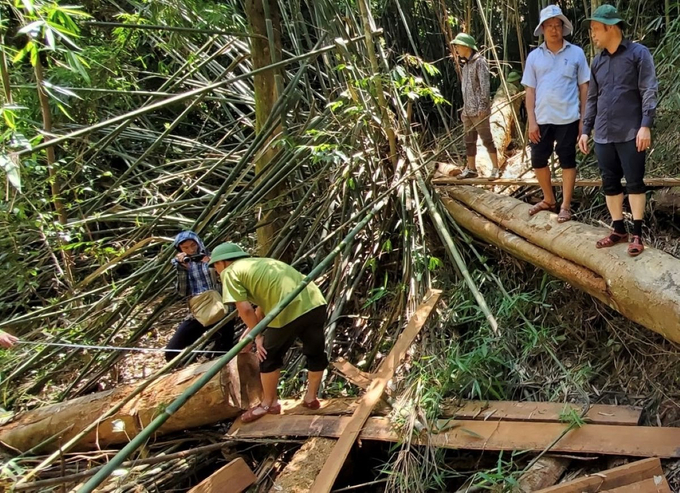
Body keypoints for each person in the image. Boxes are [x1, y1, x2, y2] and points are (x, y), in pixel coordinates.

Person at [209, 243, 328, 423]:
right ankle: (311, 398)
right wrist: (251, 331)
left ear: (223, 263)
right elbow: (264, 303)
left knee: (268, 355)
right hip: (315, 302)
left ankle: (268, 403)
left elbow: (245, 309)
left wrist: (257, 337)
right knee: (315, 351)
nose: (216, 271)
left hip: (288, 309)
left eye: (215, 266)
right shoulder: (259, 264)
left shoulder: (230, 272)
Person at [579, 5, 658, 256]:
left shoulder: (638, 54)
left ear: (610, 27)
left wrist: (645, 125)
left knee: (635, 182)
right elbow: (592, 98)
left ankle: (637, 233)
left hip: (631, 131)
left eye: (595, 29)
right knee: (609, 182)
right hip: (603, 132)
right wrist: (585, 130)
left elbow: (649, 89)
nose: (592, 34)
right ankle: (617, 229)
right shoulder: (597, 61)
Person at [522, 5, 590, 223]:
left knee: (567, 160)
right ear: (542, 29)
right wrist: (531, 121)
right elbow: (530, 91)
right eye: (549, 26)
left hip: (568, 117)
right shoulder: (534, 57)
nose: (554, 30)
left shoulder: (576, 53)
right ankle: (549, 198)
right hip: (542, 118)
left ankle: (566, 205)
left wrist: (583, 120)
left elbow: (584, 88)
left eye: (557, 25)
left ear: (563, 27)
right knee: (538, 160)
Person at [167, 231, 235, 362]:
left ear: (199, 243)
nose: (191, 250)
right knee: (172, 351)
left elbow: (229, 279)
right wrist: (183, 268)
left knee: (224, 351)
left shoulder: (213, 257)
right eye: (185, 247)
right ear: (179, 249)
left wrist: (212, 264)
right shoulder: (180, 264)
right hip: (201, 309)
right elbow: (182, 292)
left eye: (193, 245)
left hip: (221, 307)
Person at [451, 33, 500, 179]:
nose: (457, 49)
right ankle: (471, 169)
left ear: (467, 47)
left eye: (458, 46)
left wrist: (483, 107)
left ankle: (496, 169)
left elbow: (484, 86)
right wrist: (465, 109)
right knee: (469, 141)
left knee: (487, 139)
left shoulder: (480, 62)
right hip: (468, 111)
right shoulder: (466, 65)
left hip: (479, 111)